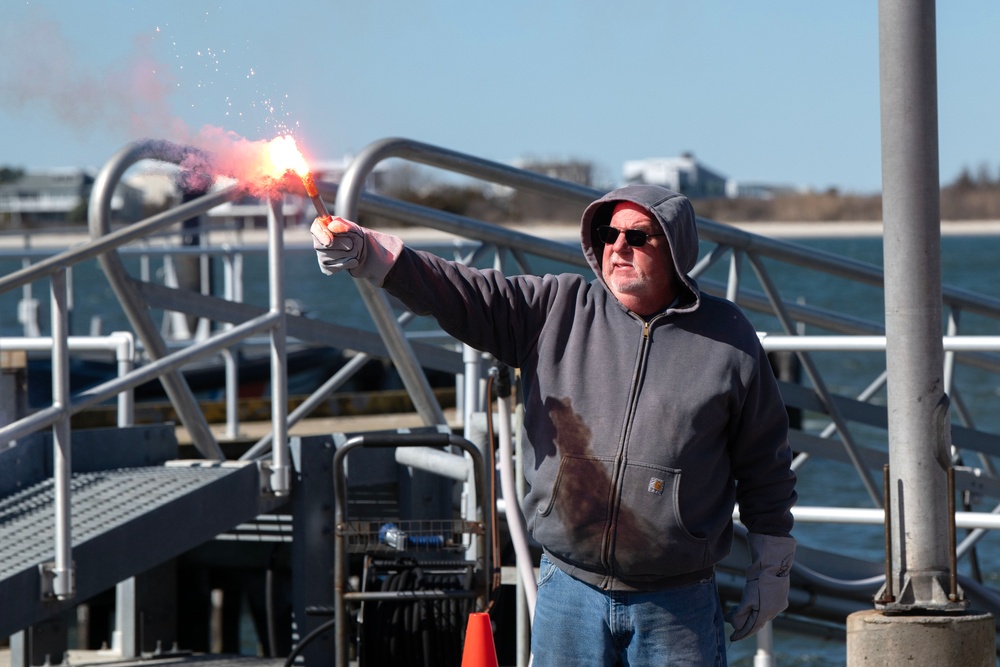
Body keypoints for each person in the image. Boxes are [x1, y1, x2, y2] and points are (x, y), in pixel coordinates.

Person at [311, 184, 797, 666]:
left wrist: (771, 565)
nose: (619, 246)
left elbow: (764, 461)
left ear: (675, 246)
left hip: (679, 603)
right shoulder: (556, 309)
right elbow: (459, 292)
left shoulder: (728, 339)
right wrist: (369, 254)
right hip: (568, 593)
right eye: (609, 233)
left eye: (638, 235)